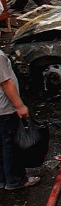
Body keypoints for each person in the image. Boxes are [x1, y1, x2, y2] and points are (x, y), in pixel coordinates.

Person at [0, 46, 39, 189]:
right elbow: (6, 83)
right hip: (4, 109)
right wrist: (19, 106)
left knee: (2, 145)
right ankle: (16, 180)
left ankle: (3, 178)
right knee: (11, 145)